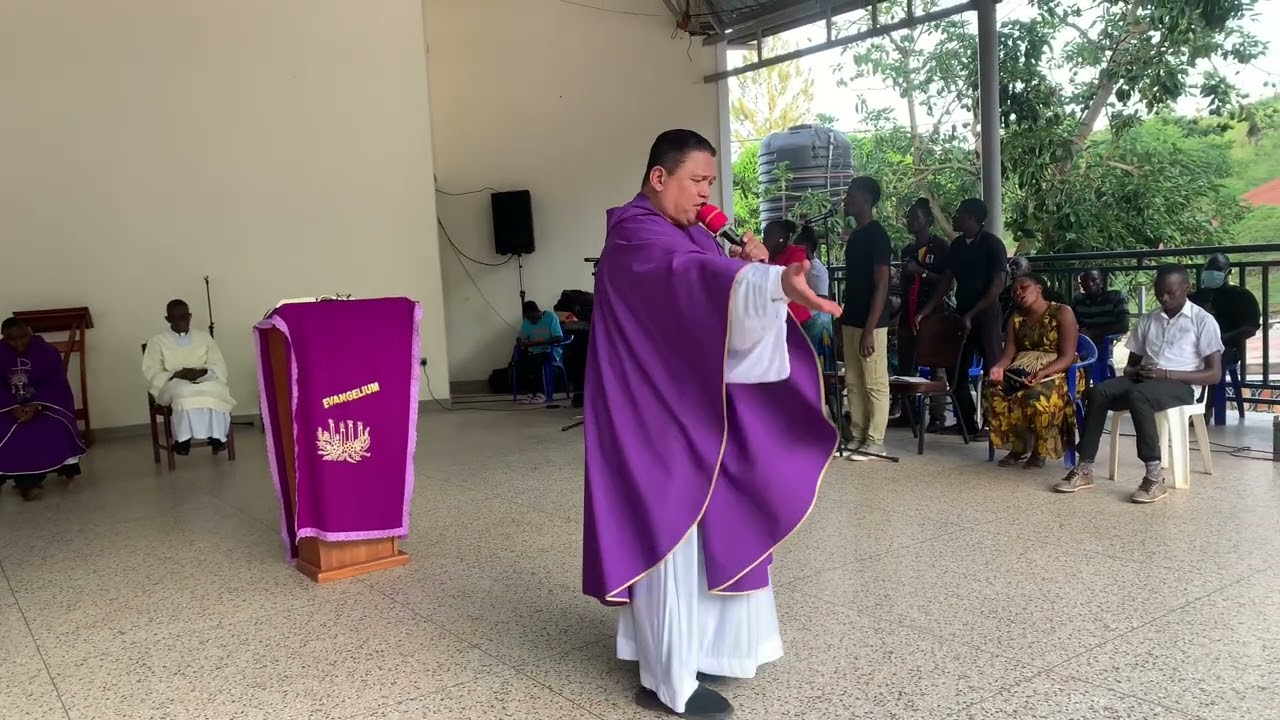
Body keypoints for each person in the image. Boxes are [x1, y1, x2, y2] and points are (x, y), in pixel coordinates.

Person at [583, 129, 840, 719]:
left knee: (712, 519)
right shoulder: (635, 234)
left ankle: (704, 647)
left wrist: (752, 269)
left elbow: (712, 290)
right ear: (658, 177)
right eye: (697, 180)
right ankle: (666, 676)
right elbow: (687, 283)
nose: (706, 195)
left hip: (694, 405)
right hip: (650, 414)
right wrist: (765, 281)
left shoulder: (693, 232)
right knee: (669, 530)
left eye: (709, 184)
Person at [1054, 265, 1223, 504]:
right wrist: (1139, 370)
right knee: (1098, 391)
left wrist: (1165, 374)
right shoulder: (1150, 319)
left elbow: (1214, 374)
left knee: (1138, 396)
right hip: (1145, 380)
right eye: (1159, 293)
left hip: (1182, 384)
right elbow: (1131, 366)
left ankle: (1154, 476)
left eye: (1170, 293)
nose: (1164, 298)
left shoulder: (1203, 321)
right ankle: (1084, 469)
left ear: (1187, 288)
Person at [917, 198, 1007, 437]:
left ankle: (993, 425)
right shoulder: (956, 245)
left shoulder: (992, 244)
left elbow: (997, 285)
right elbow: (946, 280)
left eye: (958, 214)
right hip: (962, 315)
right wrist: (926, 310)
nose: (954, 218)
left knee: (992, 371)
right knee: (956, 369)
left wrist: (972, 314)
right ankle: (966, 422)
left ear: (971, 217)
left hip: (986, 315)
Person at [985, 275, 1082, 469]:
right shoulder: (1016, 318)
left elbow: (1067, 356)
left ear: (1039, 288)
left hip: (1059, 372)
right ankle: (1019, 446)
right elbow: (1008, 355)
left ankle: (1040, 449)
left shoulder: (1062, 312)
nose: (1018, 292)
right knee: (993, 391)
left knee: (1035, 395)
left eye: (1023, 287)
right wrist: (998, 368)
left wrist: (1043, 373)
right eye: (1014, 291)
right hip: (1023, 369)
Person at [0, 317, 87, 500]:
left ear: (30, 331)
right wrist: (12, 407)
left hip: (43, 404)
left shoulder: (47, 352)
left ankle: (31, 481)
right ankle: (28, 482)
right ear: (3, 338)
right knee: (10, 429)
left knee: (50, 424)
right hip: (7, 407)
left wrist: (36, 404)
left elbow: (56, 383)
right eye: (11, 340)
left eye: (22, 337)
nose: (18, 344)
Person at [840, 176, 893, 460]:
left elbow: (881, 283)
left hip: (872, 322)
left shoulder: (877, 235)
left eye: (850, 194)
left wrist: (870, 327)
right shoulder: (856, 235)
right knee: (853, 381)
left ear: (865, 200)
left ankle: (876, 440)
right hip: (852, 317)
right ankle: (858, 434)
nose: (846, 199)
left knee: (874, 381)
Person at [142, 300, 236, 455]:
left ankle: (218, 437)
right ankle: (183, 440)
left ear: (190, 316)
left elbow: (217, 363)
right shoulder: (157, 341)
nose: (182, 321)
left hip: (202, 379)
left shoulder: (204, 337)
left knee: (218, 389)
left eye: (185, 316)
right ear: (168, 319)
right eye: (176, 317)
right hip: (173, 383)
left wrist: (203, 373)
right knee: (183, 391)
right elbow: (152, 371)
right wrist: (175, 375)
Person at [898, 197, 951, 432]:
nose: (910, 220)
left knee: (935, 364)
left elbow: (947, 283)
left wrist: (921, 272)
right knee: (905, 365)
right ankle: (909, 414)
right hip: (908, 312)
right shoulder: (907, 249)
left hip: (933, 313)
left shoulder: (940, 248)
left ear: (927, 221)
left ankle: (937, 417)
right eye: (909, 216)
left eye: (915, 217)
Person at [1189, 253, 1260, 370]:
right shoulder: (1197, 296)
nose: (1212, 272)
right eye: (1208, 269)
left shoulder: (1241, 296)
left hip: (1226, 349)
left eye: (1218, 269)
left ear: (1228, 272)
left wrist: (1220, 340)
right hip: (1193, 349)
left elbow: (1250, 328)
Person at [514, 300, 565, 404]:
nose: (531, 321)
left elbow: (559, 338)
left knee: (534, 360)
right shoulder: (527, 320)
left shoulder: (551, 317)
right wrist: (521, 342)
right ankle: (531, 392)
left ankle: (541, 392)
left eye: (533, 317)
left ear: (538, 312)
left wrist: (538, 343)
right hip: (533, 351)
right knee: (522, 361)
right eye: (528, 318)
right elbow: (520, 337)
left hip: (549, 351)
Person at [1072, 268, 1130, 350]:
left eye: (1094, 279)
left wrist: (1092, 333)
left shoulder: (1115, 297)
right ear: (1081, 285)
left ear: (1102, 282)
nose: (1090, 283)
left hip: (1105, 342)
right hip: (1083, 344)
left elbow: (1124, 326)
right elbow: (1071, 323)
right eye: (1085, 281)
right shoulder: (1078, 300)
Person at [1000, 257, 1067, 322]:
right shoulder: (1005, 293)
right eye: (1010, 266)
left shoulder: (1056, 304)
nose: (1013, 268)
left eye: (1017, 265)